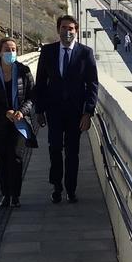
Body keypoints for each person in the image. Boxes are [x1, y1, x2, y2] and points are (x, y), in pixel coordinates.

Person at [34, 14, 99, 204]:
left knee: (72, 152)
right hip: (53, 111)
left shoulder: (85, 53)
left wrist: (88, 112)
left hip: (76, 113)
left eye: (71, 28)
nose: (67, 31)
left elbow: (92, 84)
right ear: (58, 30)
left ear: (76, 31)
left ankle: (71, 189)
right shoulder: (48, 52)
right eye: (64, 28)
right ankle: (56, 186)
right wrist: (39, 110)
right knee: (54, 148)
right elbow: (40, 83)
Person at [0, 37, 36, 208]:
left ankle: (15, 195)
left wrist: (22, 111)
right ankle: (5, 194)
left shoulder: (23, 70)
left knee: (16, 157)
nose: (10, 53)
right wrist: (4, 112)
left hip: (19, 123)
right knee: (2, 159)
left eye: (13, 50)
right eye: (7, 49)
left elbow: (31, 96)